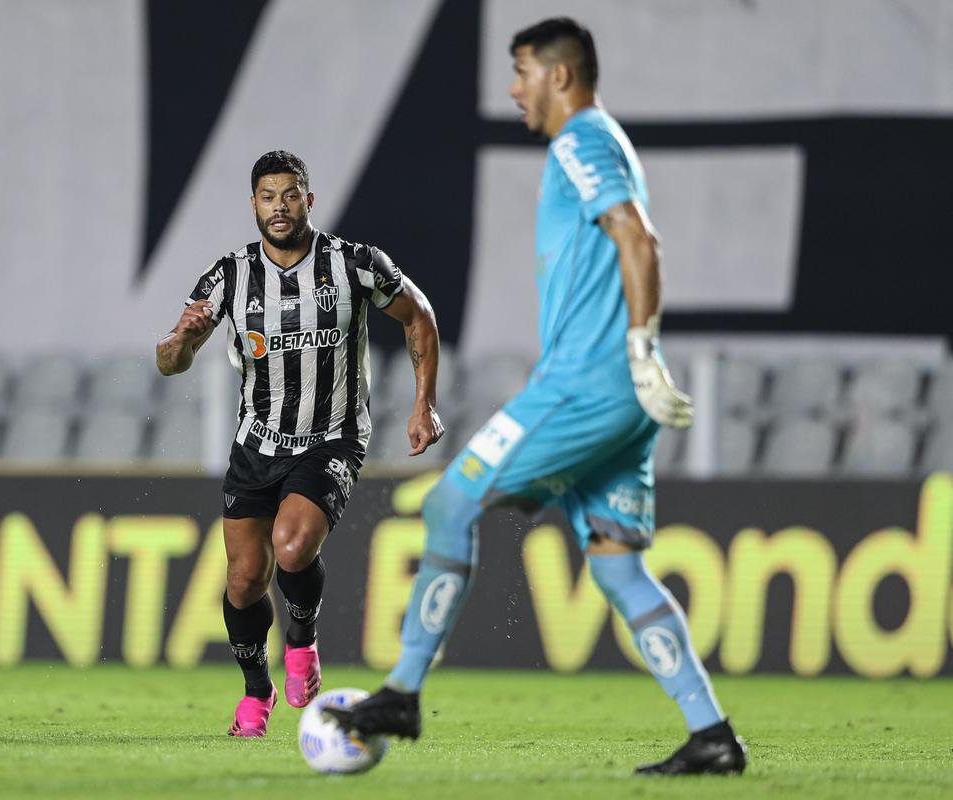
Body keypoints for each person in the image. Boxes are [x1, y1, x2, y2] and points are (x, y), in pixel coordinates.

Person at [327, 18, 747, 776]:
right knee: (617, 567)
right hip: (620, 399)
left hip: (585, 386)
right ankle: (710, 734)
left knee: (450, 504)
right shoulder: (599, 141)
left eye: (521, 71)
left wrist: (639, 347)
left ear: (558, 75)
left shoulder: (581, 141)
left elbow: (638, 238)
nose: (513, 88)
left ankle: (402, 691)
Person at [156, 150, 444, 737]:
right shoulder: (228, 276)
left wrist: (423, 402)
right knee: (243, 580)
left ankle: (303, 638)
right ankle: (255, 692)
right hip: (256, 442)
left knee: (291, 548)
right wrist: (177, 342)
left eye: (291, 195)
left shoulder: (355, 264)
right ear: (254, 205)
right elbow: (173, 363)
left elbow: (419, 318)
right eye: (268, 197)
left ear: (309, 200)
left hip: (330, 437)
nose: (280, 207)